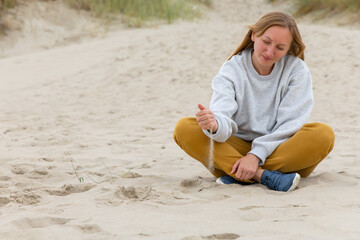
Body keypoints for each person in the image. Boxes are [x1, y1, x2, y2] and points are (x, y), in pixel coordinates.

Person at [173, 11, 335, 192]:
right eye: (266, 42)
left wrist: (256, 156)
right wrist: (215, 124)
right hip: (234, 151)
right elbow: (222, 115)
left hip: (279, 150)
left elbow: (290, 124)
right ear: (254, 35)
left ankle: (239, 176)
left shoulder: (297, 70)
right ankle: (263, 176)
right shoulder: (232, 68)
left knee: (323, 134)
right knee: (185, 128)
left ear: (288, 49)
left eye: (280, 48)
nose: (269, 52)